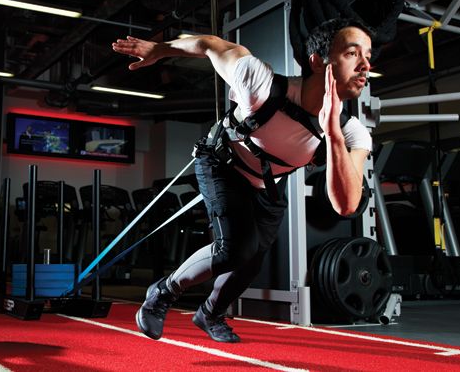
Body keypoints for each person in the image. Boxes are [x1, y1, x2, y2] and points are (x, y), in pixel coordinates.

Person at [112, 18, 373, 343]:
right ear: (318, 61)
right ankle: (163, 292)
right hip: (222, 163)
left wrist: (332, 131)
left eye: (368, 54)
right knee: (234, 249)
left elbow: (346, 204)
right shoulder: (259, 82)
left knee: (251, 262)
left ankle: (209, 314)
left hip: (265, 185)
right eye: (352, 53)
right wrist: (160, 50)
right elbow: (210, 44)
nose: (366, 64)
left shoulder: (352, 133)